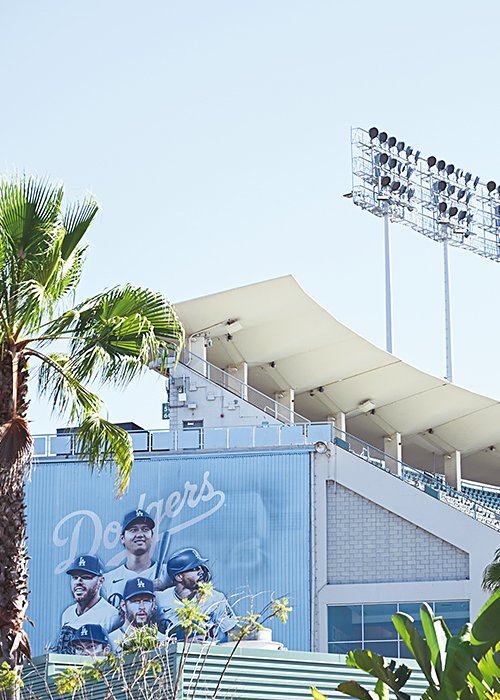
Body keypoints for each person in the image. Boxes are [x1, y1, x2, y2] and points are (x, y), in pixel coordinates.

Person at [156, 548, 238, 642]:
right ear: (179, 577)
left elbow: (232, 632)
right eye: (195, 569)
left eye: (201, 567)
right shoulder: (160, 600)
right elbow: (150, 637)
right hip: (171, 655)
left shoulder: (216, 598)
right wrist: (184, 642)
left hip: (206, 654)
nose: (201, 572)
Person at [104, 509, 169, 608]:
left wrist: (165, 592)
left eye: (145, 529)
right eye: (133, 530)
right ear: (122, 538)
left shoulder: (167, 574)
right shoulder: (107, 580)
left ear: (152, 537)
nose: (139, 535)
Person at [60, 555, 121, 633]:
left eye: (86, 577)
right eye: (75, 577)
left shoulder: (112, 616)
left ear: (101, 581)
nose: (78, 582)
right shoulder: (67, 613)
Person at [109, 576, 165, 649]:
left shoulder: (162, 641)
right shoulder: (111, 641)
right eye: (135, 601)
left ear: (153, 605)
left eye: (146, 601)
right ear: (123, 605)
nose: (142, 607)